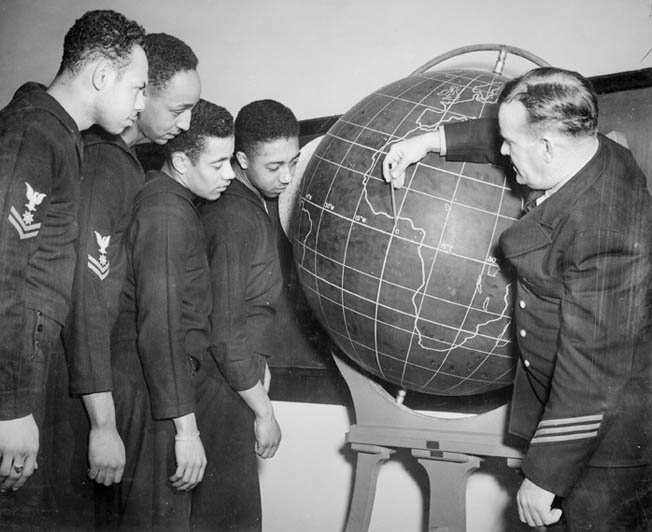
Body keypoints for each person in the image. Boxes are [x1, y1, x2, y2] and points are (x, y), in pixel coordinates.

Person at [383, 67, 652, 532]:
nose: (502, 151)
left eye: (511, 144)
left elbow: (592, 370)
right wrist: (429, 142)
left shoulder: (605, 229)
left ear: (547, 147)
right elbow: (511, 133)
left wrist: (545, 476)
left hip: (604, 443)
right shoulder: (587, 147)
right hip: (578, 419)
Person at [0, 9, 147, 528]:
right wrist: (12, 408)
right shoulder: (36, 132)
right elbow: (4, 270)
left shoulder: (61, 135)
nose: (141, 103)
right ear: (102, 78)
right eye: (138, 87)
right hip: (15, 377)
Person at [51, 32, 201, 527]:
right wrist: (103, 423)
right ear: (141, 94)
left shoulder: (128, 163)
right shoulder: (103, 167)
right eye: (178, 108)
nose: (187, 123)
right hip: (87, 391)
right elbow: (86, 296)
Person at [112, 98, 235, 531]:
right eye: (219, 163)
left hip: (159, 390)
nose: (230, 174)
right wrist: (186, 431)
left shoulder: (171, 202)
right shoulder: (166, 213)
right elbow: (161, 327)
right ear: (181, 161)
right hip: (154, 395)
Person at [199, 99, 298, 531]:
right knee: (227, 517)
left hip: (240, 381)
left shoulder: (254, 204)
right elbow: (223, 331)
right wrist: (264, 411)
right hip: (223, 389)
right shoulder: (232, 216)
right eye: (274, 166)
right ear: (241, 159)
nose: (288, 176)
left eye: (292, 162)